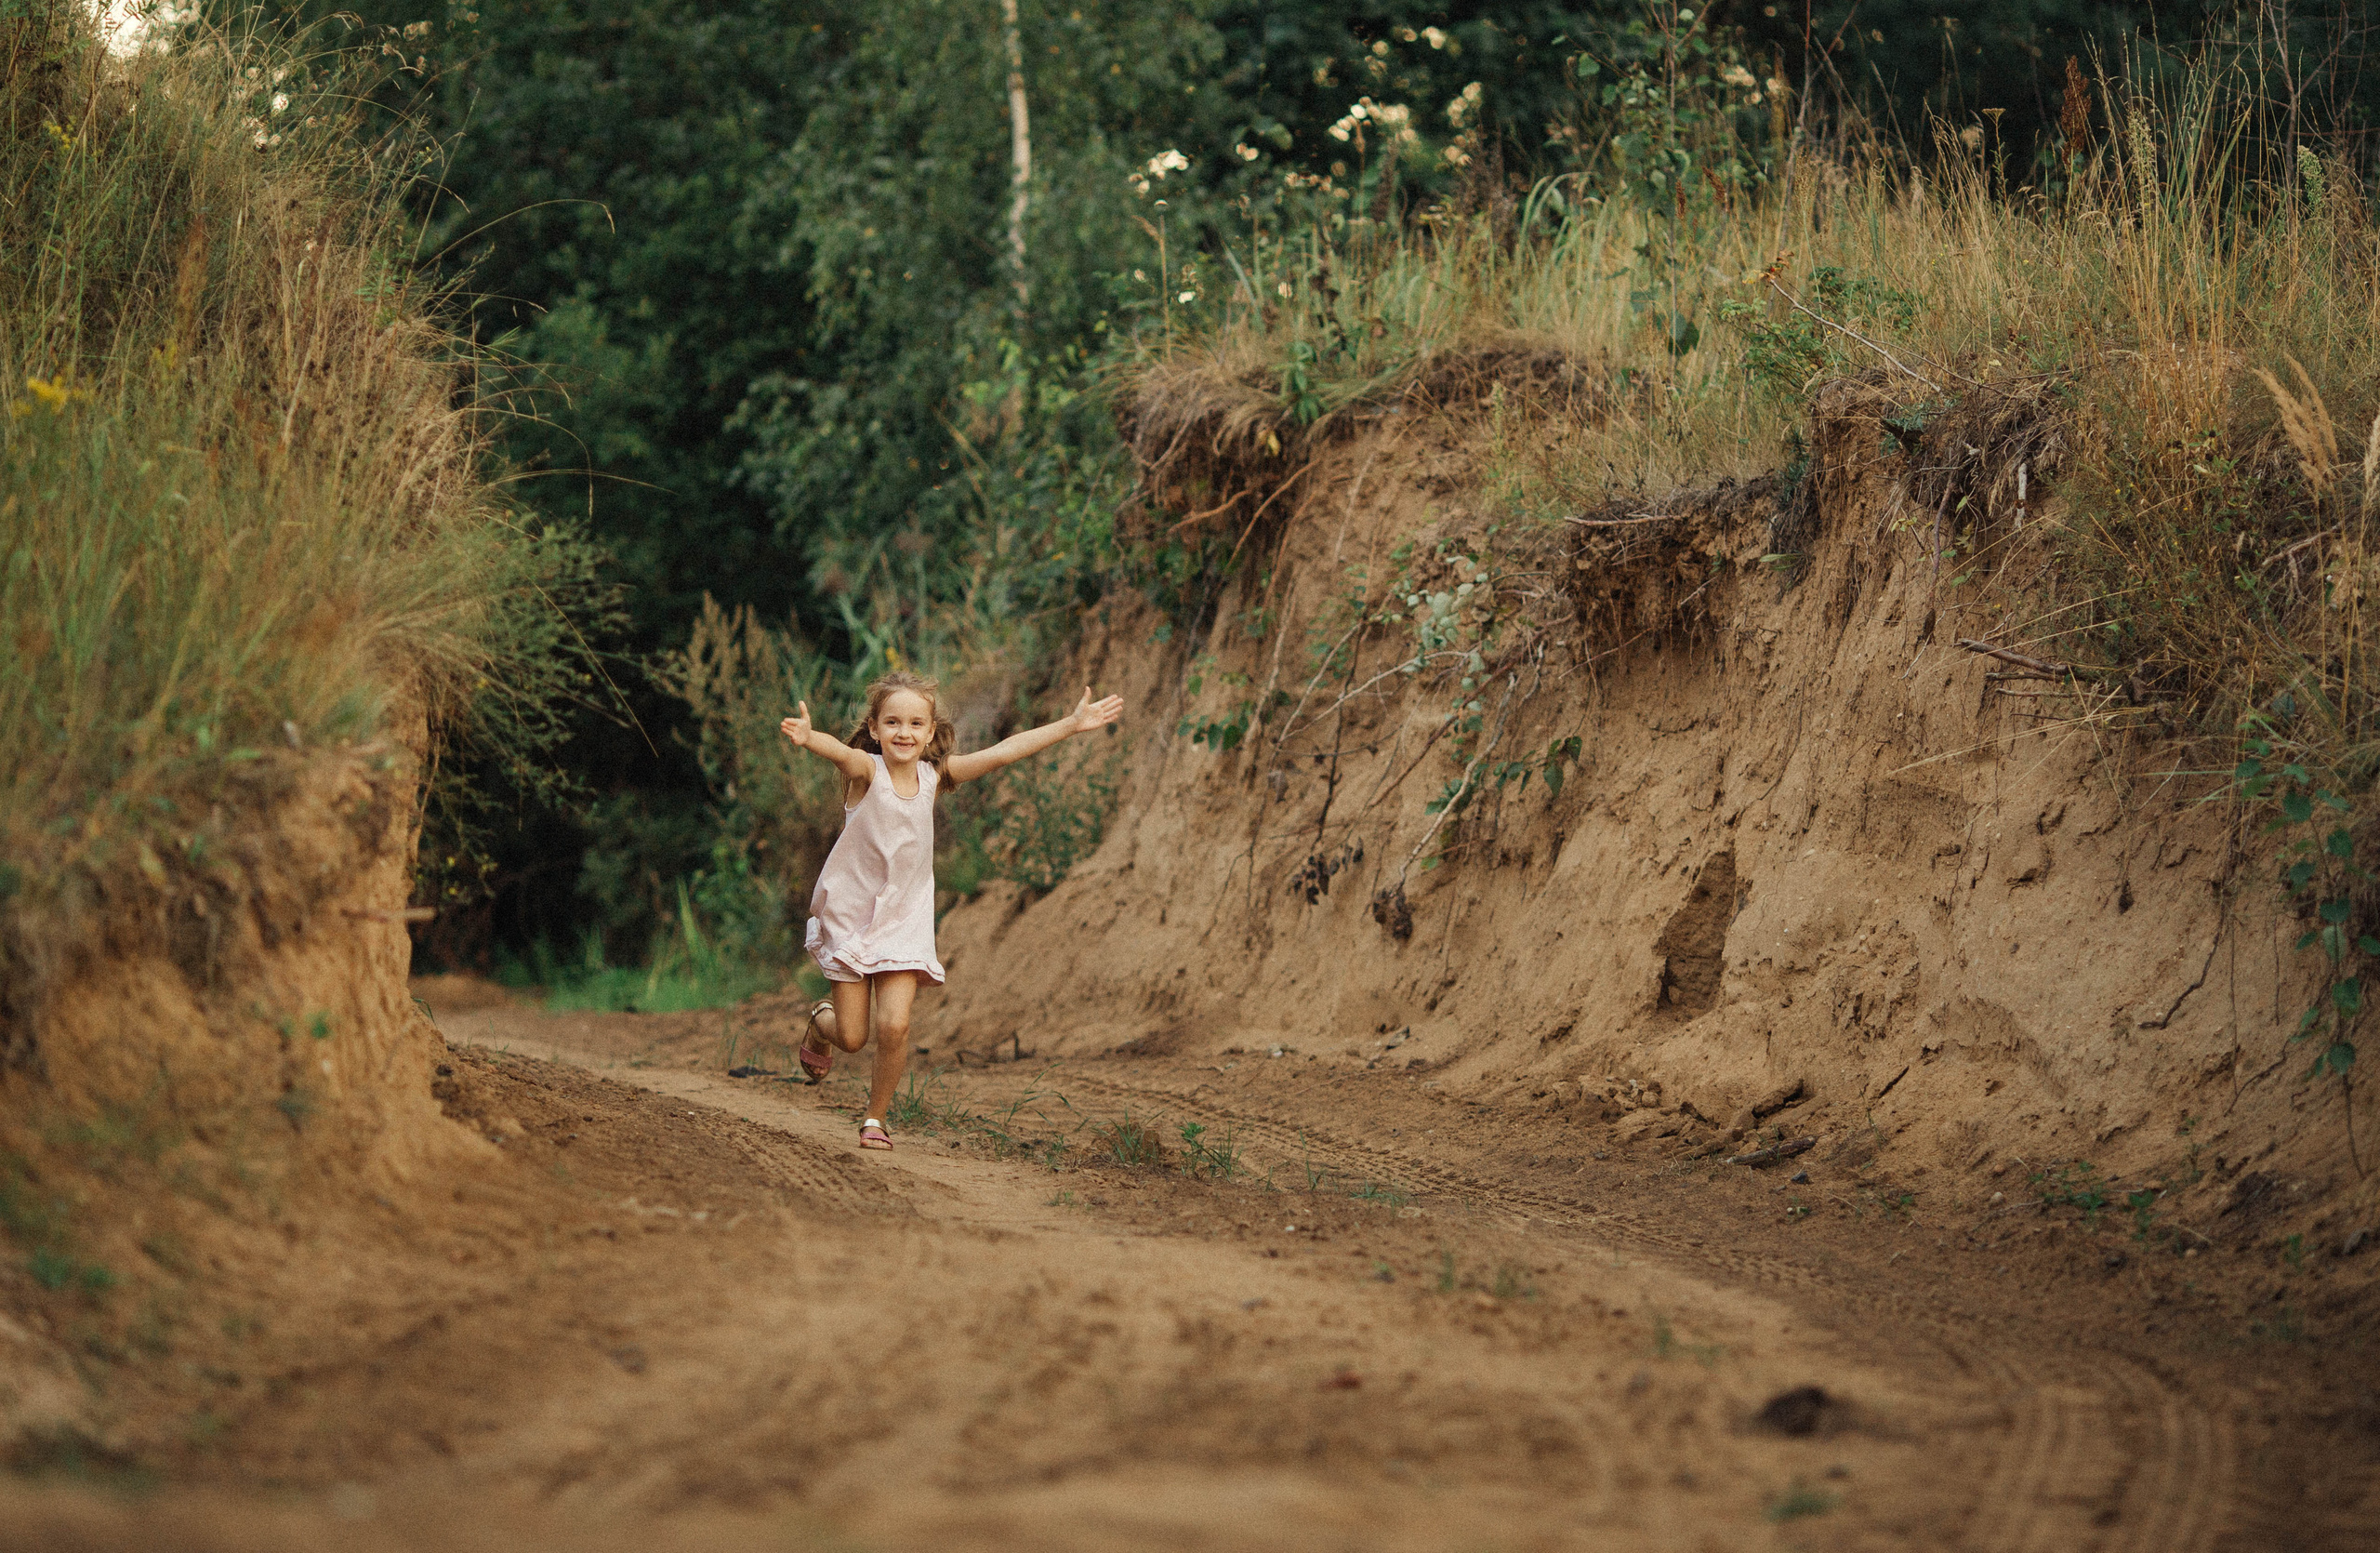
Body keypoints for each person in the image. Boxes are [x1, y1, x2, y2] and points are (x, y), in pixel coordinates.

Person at [778, 671, 1123, 1150]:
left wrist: (1069, 724)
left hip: (903, 920)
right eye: (893, 722)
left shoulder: (934, 777)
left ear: (930, 732)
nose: (905, 732)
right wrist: (811, 737)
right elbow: (842, 752)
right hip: (853, 918)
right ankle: (822, 1021)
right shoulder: (867, 772)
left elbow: (1004, 752)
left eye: (916, 723)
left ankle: (875, 1119)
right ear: (875, 729)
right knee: (854, 1038)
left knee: (895, 1026)